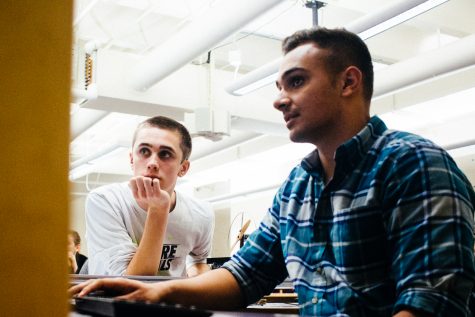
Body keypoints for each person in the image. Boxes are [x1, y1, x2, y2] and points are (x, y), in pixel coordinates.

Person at [70, 28, 475, 316]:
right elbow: (245, 275)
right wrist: (159, 293)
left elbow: (434, 301)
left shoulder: (413, 164)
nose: (280, 101)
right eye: (279, 86)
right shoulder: (298, 187)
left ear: (348, 82)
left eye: (296, 82)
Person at [84, 116, 214, 277]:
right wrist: (158, 209)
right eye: (144, 151)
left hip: (172, 301)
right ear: (132, 159)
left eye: (165, 154)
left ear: (183, 168)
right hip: (113, 301)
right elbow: (130, 282)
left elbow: (199, 261)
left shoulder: (202, 213)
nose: (152, 163)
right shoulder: (105, 201)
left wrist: (197, 285)